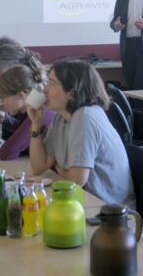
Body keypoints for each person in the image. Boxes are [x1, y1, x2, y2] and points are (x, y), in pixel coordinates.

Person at [27, 59, 134, 206]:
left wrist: (58, 167)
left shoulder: (85, 118)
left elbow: (75, 181)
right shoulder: (61, 116)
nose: (45, 90)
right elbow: (38, 167)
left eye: (52, 84)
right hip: (82, 200)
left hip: (107, 211)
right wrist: (36, 124)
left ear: (71, 92)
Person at [0, 37, 44, 140]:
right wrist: (6, 119)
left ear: (11, 65)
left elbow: (26, 135)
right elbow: (21, 126)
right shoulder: (18, 86)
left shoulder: (36, 94)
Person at [0, 64, 55, 160]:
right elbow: (23, 129)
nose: (1, 102)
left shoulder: (39, 112)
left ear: (21, 95)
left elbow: (6, 153)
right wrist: (6, 120)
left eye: (3, 97)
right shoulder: (38, 101)